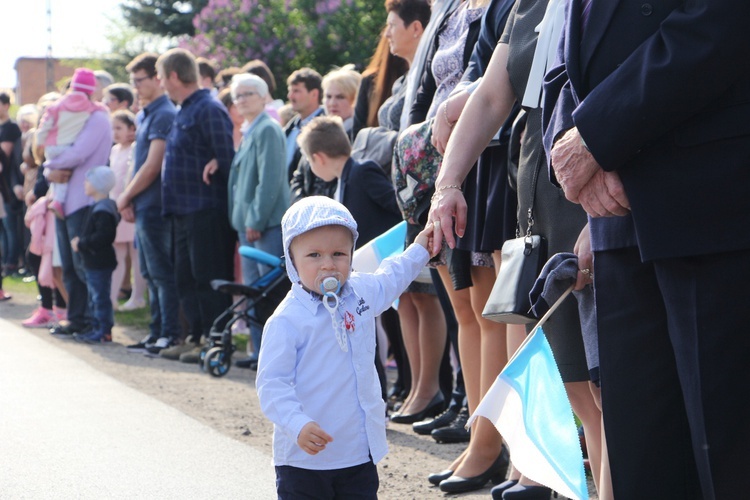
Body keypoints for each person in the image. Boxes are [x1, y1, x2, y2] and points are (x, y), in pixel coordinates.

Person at [542, 1, 750, 498]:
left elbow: (717, 23)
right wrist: (571, 153)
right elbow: (565, 66)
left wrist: (597, 137)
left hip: (706, 210)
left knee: (723, 454)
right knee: (643, 457)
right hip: (616, 224)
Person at [256, 196, 438, 499]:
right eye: (314, 255)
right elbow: (272, 385)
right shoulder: (287, 320)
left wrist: (420, 248)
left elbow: (392, 277)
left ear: (352, 255)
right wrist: (296, 424)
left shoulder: (360, 293)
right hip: (304, 461)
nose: (328, 264)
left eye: (339, 254)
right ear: (292, 260)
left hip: (356, 455)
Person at [155, 48, 235, 357]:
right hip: (181, 211)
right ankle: (197, 337)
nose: (161, 82)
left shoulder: (209, 108)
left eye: (162, 76)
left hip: (206, 210)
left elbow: (227, 159)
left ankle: (215, 342)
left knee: (208, 278)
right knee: (185, 278)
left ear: (174, 75)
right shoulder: (184, 109)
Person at [117, 52, 180, 353]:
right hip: (143, 203)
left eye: (139, 80)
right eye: (133, 81)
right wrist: (129, 197)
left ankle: (168, 333)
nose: (136, 87)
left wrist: (126, 194)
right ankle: (155, 331)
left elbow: (153, 165)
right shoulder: (145, 114)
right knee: (149, 272)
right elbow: (135, 162)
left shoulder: (164, 113)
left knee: (161, 272)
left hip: (156, 205)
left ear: (157, 78)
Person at [226, 73, 288, 367]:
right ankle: (258, 353)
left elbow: (270, 181)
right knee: (253, 290)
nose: (241, 100)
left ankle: (273, 357)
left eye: (248, 93)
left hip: (264, 225)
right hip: (248, 224)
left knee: (268, 291)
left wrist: (256, 219)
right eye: (237, 95)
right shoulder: (250, 129)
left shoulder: (267, 129)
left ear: (264, 96)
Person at [44, 80, 112, 338]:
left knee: (85, 265)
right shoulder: (72, 118)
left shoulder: (98, 118)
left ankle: (97, 323)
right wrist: (49, 169)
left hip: (84, 201)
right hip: (64, 200)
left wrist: (50, 166)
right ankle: (77, 318)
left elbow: (79, 152)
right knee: (70, 266)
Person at [297, 116, 401, 247]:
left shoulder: (362, 172)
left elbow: (398, 206)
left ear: (319, 158)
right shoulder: (341, 182)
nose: (311, 166)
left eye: (309, 160)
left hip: (388, 253)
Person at [35, 68, 109, 219]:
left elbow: (77, 154)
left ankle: (57, 200)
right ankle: (57, 201)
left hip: (81, 199)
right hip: (75, 198)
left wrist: (48, 165)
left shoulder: (59, 105)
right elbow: (75, 154)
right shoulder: (93, 110)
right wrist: (50, 172)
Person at [70, 166, 119, 343]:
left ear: (98, 185)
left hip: (99, 262)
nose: (85, 183)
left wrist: (82, 243)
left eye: (88, 181)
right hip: (93, 261)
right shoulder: (98, 207)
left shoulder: (103, 209)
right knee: (94, 297)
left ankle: (103, 330)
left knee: (99, 297)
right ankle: (96, 327)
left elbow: (104, 236)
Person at [108, 110, 147, 312]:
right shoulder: (114, 150)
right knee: (117, 255)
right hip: (115, 207)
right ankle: (112, 298)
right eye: (113, 128)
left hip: (129, 206)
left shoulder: (134, 149)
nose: (115, 132)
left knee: (136, 254)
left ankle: (138, 297)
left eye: (119, 128)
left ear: (132, 129)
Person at [284, 67, 324, 184]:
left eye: (296, 91)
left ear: (314, 94)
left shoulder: (324, 129)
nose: (290, 96)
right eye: (290, 90)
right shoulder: (290, 128)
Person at [0, 90, 23, 278]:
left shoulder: (11, 128)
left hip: (7, 187)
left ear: (6, 105)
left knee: (9, 227)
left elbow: (4, 155)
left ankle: (11, 263)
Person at [321, 65, 361, 138]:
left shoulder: (361, 136)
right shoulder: (320, 133)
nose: (332, 103)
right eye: (328, 96)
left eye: (340, 97)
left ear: (356, 99)